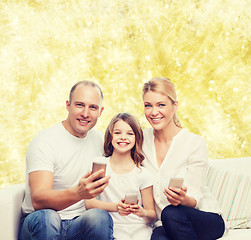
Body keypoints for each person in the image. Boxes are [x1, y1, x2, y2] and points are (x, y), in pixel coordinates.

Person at [19, 81, 114, 240]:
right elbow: (39, 200)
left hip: (77, 223)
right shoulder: (45, 141)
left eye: (92, 107)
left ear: (100, 111)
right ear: (68, 105)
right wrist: (78, 193)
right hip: (40, 223)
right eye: (79, 105)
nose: (85, 113)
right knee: (48, 218)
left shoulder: (100, 140)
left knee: (99, 217)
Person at [141, 77, 225, 240]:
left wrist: (183, 199)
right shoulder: (140, 139)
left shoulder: (194, 143)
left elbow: (195, 198)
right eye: (148, 105)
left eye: (161, 105)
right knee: (158, 237)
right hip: (164, 223)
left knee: (171, 212)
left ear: (175, 106)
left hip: (204, 219)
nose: (153, 112)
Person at [85, 113, 156, 240]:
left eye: (130, 133)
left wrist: (142, 212)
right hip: (110, 228)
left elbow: (151, 214)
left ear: (136, 139)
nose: (123, 137)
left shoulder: (143, 174)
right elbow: (89, 203)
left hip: (138, 229)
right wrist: (116, 207)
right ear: (110, 136)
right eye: (118, 133)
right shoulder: (100, 165)